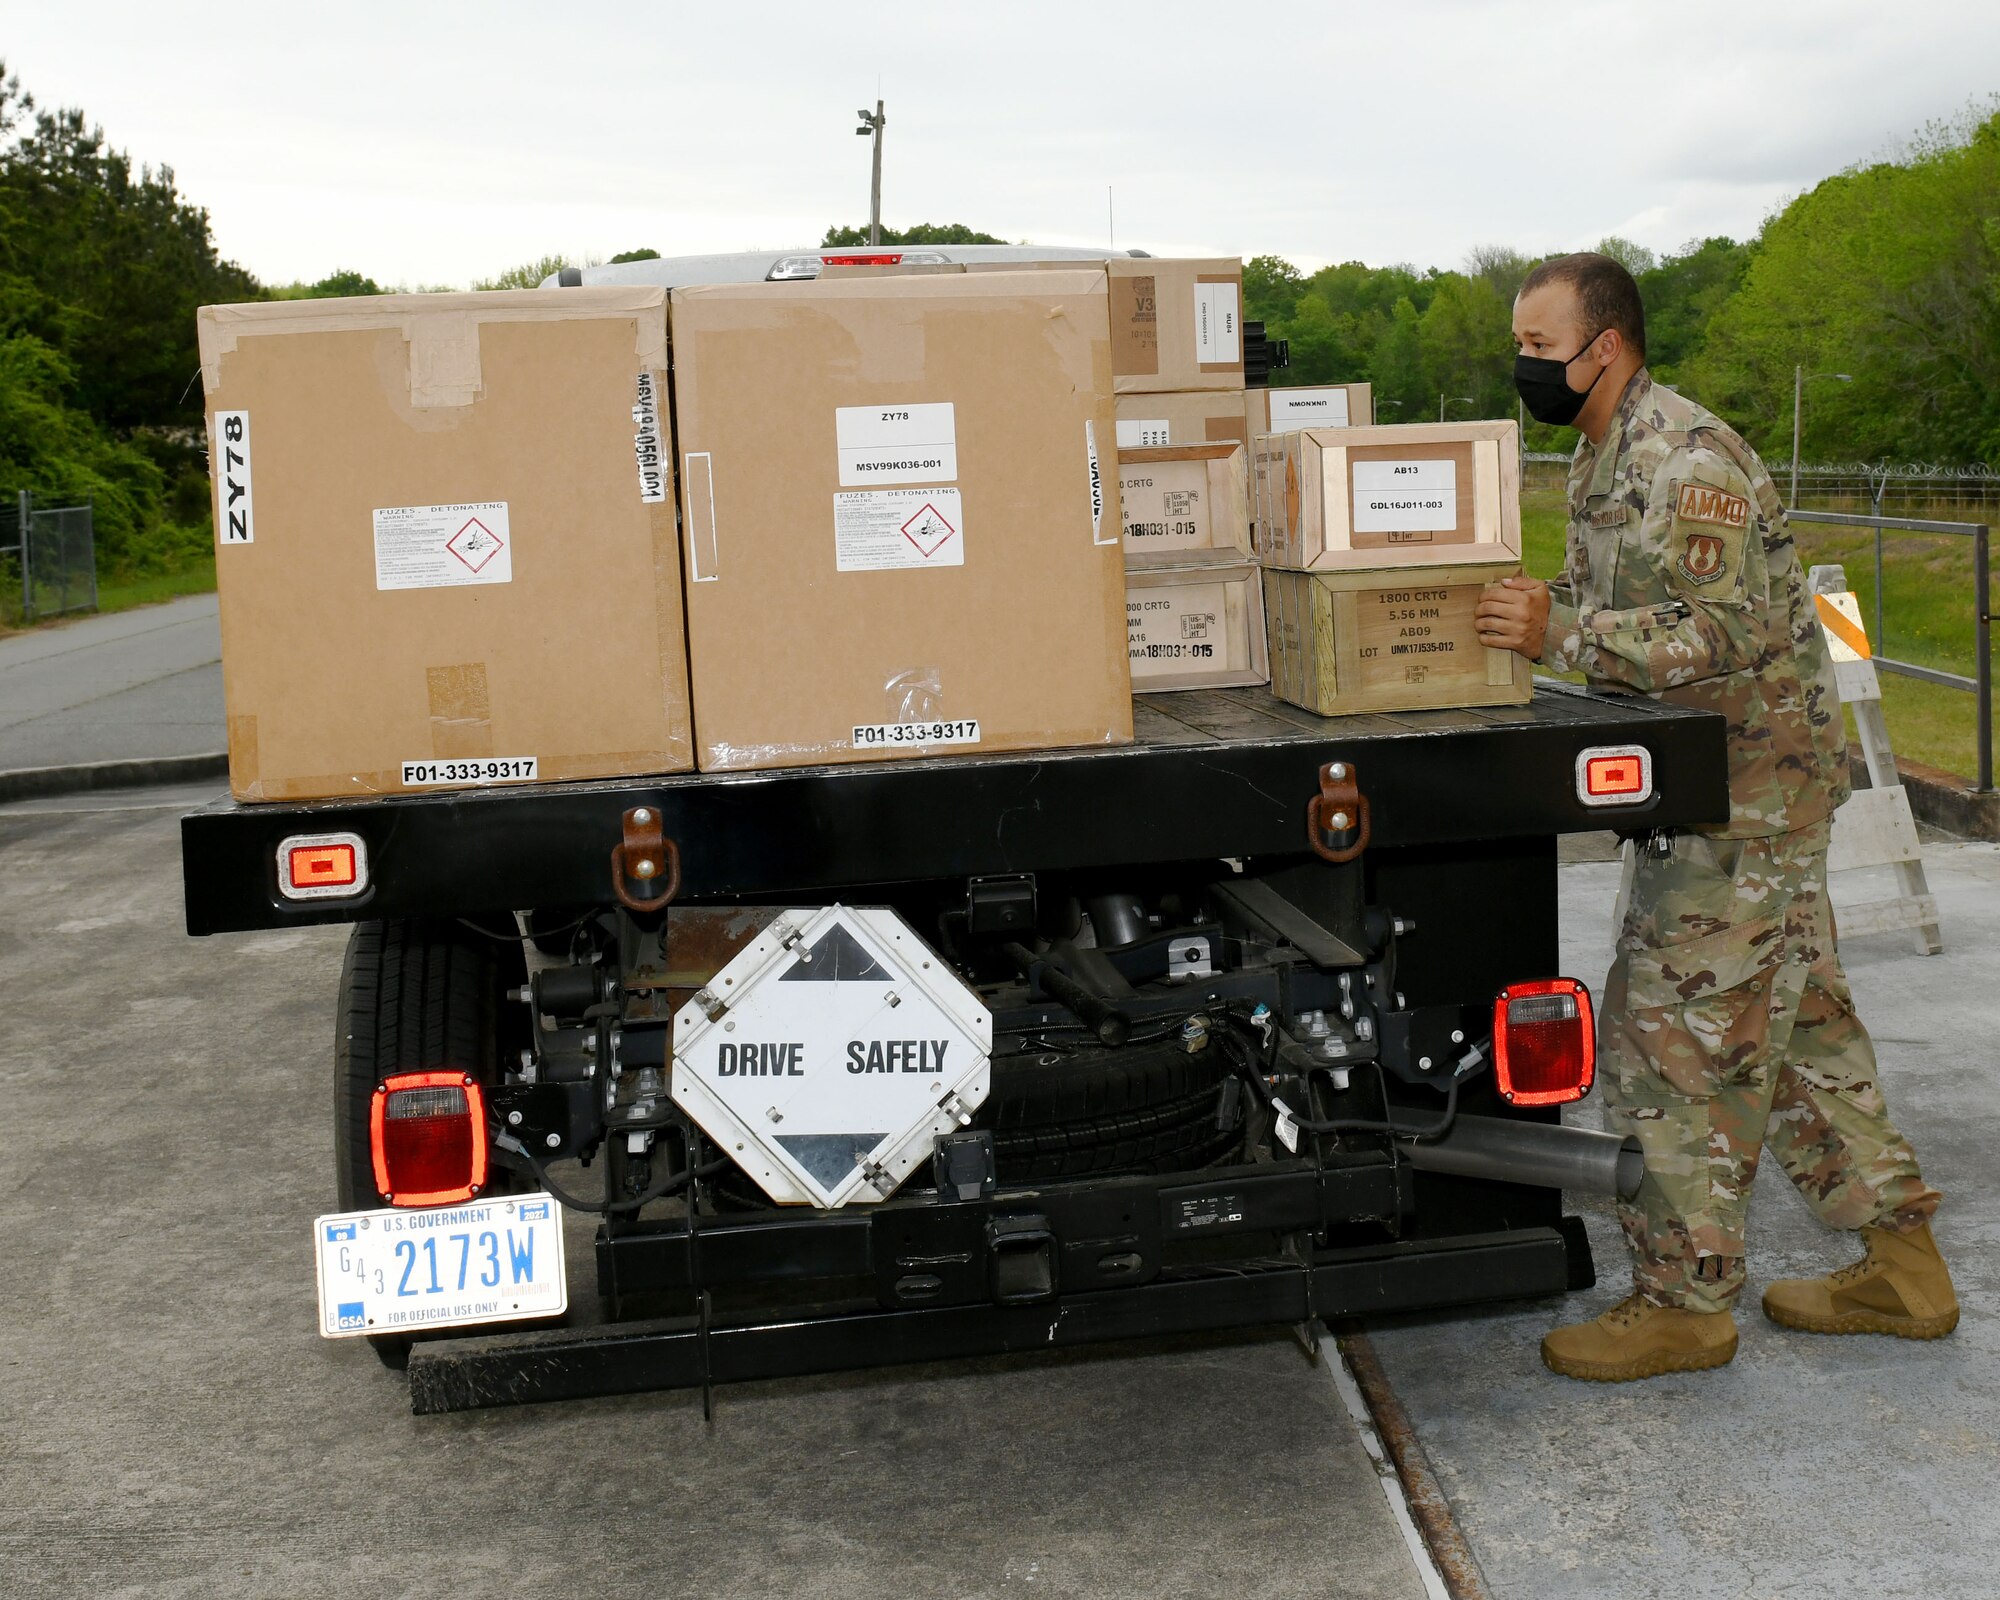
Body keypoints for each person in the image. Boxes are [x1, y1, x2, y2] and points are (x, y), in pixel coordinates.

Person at [1473, 252, 1957, 1382]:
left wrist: (1557, 637)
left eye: (1537, 347)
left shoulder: (1687, 461)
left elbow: (1714, 634)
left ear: (1606, 346)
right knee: (1792, 1035)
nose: (1522, 365)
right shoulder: (1603, 452)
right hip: (1717, 791)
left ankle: (1683, 1303)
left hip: (1742, 801)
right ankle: (1902, 1265)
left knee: (1666, 1039)